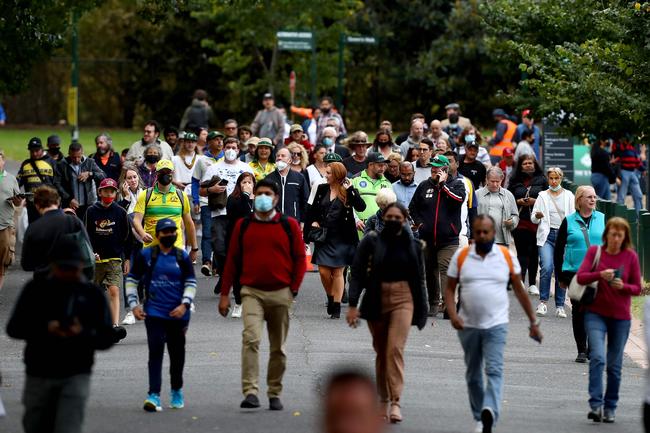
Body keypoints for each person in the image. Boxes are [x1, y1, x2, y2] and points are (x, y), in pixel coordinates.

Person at [7, 236, 115, 433]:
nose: (68, 273)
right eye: (63, 267)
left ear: (82, 265)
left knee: (68, 427)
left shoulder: (91, 294)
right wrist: (46, 328)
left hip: (76, 372)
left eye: (73, 268)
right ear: (53, 265)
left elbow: (107, 337)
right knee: (35, 425)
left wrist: (82, 333)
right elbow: (14, 328)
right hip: (39, 371)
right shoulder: (36, 290)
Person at [445, 215, 542, 433]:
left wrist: (533, 321)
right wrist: (452, 314)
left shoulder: (506, 256)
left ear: (493, 233)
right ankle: (480, 416)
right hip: (467, 325)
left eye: (486, 232)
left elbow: (519, 290)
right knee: (473, 374)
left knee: (494, 370)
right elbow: (450, 288)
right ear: (474, 234)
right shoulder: (462, 256)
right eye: (478, 232)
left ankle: (488, 412)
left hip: (496, 325)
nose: (481, 235)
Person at [218, 178, 306, 410]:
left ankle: (274, 392)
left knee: (278, 348)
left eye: (268, 193)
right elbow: (232, 261)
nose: (263, 197)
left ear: (276, 198)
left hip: (280, 293)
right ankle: (250, 391)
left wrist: (293, 288)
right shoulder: (243, 225)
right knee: (251, 340)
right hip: (252, 293)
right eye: (260, 193)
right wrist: (225, 294)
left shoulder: (289, 225)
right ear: (254, 196)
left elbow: (299, 259)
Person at [347, 202, 427, 423]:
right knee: (382, 352)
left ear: (405, 220)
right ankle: (382, 399)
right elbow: (358, 273)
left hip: (404, 299)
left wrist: (423, 310)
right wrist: (353, 304)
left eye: (397, 218)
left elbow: (419, 280)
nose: (393, 221)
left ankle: (396, 402)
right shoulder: (371, 241)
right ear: (383, 217)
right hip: (376, 298)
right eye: (389, 217)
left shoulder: (413, 245)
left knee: (394, 350)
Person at [126, 218, 197, 412]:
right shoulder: (147, 255)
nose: (170, 235)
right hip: (155, 313)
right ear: (157, 235)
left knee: (177, 354)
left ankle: (176, 390)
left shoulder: (182, 256)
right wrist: (133, 305)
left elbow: (191, 282)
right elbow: (132, 279)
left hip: (178, 314)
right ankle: (153, 395)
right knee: (155, 353)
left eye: (172, 232)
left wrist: (184, 305)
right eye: (165, 232)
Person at [576, 217, 641, 423]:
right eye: (612, 234)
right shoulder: (595, 252)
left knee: (614, 365)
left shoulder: (630, 257)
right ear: (606, 235)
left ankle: (610, 406)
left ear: (625, 238)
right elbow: (581, 277)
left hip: (620, 318)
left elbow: (637, 288)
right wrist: (599, 274)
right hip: (595, 313)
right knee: (597, 357)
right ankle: (596, 405)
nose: (615, 239)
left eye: (619, 235)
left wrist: (624, 287)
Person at [306, 162, 366, 318]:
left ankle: (337, 306)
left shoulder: (347, 190)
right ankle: (331, 297)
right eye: (326, 172)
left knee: (338, 272)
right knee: (324, 272)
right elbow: (312, 210)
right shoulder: (321, 189)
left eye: (329, 173)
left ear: (338, 175)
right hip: (324, 236)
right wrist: (312, 222)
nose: (326, 175)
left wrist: (351, 189)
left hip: (343, 237)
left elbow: (361, 207)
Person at [409, 154, 466, 316]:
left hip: (449, 239)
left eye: (437, 167)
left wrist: (443, 186)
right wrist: (420, 223)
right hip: (427, 238)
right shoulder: (424, 185)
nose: (433, 170)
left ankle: (448, 305)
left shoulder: (457, 184)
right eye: (432, 167)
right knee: (430, 271)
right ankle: (433, 303)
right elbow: (413, 207)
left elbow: (458, 200)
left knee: (446, 270)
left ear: (445, 169)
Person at [553, 186, 604, 363]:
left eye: (594, 197)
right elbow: (558, 250)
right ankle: (581, 349)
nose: (592, 200)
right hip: (575, 273)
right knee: (579, 311)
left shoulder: (602, 219)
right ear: (579, 200)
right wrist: (560, 275)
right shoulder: (568, 221)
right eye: (589, 197)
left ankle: (593, 347)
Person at [199, 137, 253, 290]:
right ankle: (225, 275)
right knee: (220, 248)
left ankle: (232, 279)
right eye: (228, 147)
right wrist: (212, 190)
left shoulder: (246, 168)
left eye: (234, 147)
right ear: (223, 148)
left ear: (238, 150)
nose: (230, 150)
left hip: (240, 214)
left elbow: (253, 189)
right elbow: (201, 190)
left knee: (240, 249)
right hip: (219, 212)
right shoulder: (214, 168)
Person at [85, 178, 132, 341]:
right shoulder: (91, 211)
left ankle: (114, 326)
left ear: (115, 193)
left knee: (114, 290)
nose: (109, 194)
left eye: (112, 191)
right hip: (96, 259)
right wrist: (91, 252)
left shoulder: (120, 212)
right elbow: (87, 235)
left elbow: (127, 236)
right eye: (106, 191)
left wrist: (127, 258)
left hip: (114, 258)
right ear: (100, 192)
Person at [132, 159, 198, 263]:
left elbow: (189, 224)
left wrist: (194, 248)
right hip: (151, 250)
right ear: (157, 174)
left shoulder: (181, 195)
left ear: (172, 174)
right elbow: (136, 220)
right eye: (162, 172)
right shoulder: (145, 195)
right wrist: (142, 234)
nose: (165, 175)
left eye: (168, 172)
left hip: (176, 250)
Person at [531, 167, 575, 318]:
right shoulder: (542, 195)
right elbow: (533, 217)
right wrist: (537, 216)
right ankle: (543, 302)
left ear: (561, 179)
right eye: (551, 178)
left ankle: (560, 306)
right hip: (547, 236)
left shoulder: (569, 196)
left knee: (561, 271)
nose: (554, 181)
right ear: (547, 179)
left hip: (564, 237)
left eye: (557, 178)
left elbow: (574, 216)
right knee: (547, 267)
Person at [20, 186, 91, 278]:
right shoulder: (74, 222)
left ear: (36, 205)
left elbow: (27, 265)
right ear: (58, 202)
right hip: (72, 280)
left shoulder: (33, 228)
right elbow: (87, 251)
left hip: (44, 281)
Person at [507, 155, 548, 295]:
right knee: (522, 252)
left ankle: (532, 284)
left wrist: (534, 201)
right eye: (525, 163)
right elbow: (508, 198)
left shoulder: (542, 180)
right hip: (521, 221)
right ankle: (520, 281)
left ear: (535, 165)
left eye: (531, 163)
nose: (528, 165)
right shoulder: (514, 181)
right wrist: (518, 202)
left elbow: (548, 199)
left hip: (537, 222)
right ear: (520, 166)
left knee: (534, 253)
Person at [191, 131, 225, 275]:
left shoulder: (227, 159)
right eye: (216, 140)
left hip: (223, 202)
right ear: (208, 142)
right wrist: (196, 199)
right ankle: (206, 262)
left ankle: (217, 265)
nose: (219, 142)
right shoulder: (201, 160)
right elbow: (195, 181)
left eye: (221, 140)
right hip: (206, 200)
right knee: (207, 232)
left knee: (220, 233)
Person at [225, 172, 256, 319]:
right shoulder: (233, 199)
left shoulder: (260, 200)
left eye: (250, 182)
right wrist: (244, 196)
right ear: (239, 184)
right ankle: (238, 303)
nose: (247, 185)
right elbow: (240, 216)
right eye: (244, 182)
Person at [55, 141, 106, 219]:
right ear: (69, 154)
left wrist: (90, 174)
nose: (76, 159)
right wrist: (69, 199)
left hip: (88, 204)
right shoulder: (62, 165)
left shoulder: (90, 162)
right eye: (73, 157)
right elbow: (57, 184)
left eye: (78, 156)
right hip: (70, 205)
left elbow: (103, 176)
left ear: (82, 153)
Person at [17, 137, 57, 223]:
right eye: (32, 151)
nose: (34, 154)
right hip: (32, 206)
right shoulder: (25, 164)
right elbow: (17, 182)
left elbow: (58, 184)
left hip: (48, 205)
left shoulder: (52, 162)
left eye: (37, 151)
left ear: (42, 149)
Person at [476, 167, 519, 247]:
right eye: (492, 181)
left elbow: (515, 215)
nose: (495, 184)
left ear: (502, 180)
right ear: (487, 179)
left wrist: (512, 221)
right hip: (482, 238)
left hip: (503, 239)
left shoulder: (508, 195)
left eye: (497, 182)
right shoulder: (477, 194)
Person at [351, 153, 392, 236]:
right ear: (370, 165)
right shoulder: (355, 180)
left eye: (384, 165)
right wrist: (356, 220)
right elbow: (348, 204)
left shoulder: (387, 183)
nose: (383, 168)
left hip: (380, 230)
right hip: (359, 228)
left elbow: (390, 207)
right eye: (380, 165)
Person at [266, 147, 310, 223]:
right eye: (278, 156)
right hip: (273, 221)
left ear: (290, 160)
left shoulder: (299, 178)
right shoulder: (269, 178)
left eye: (283, 156)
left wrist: (303, 221)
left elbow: (305, 201)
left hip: (293, 221)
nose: (279, 158)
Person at [445, 151, 477, 247]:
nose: (446, 164)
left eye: (449, 161)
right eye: (444, 162)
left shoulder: (467, 182)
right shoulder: (437, 181)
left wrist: (473, 236)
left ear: (457, 164)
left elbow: (472, 210)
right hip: (441, 235)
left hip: (461, 235)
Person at [0, 150, 22, 290]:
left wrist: (17, 200)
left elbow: (18, 203)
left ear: (3, 161)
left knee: (2, 264)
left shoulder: (11, 179)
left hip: (5, 226)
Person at [611, 137, 644, 213]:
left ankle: (638, 217)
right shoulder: (619, 146)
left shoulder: (632, 148)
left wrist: (643, 169)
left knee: (639, 195)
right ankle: (618, 217)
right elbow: (615, 155)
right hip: (623, 172)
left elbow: (637, 161)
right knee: (621, 197)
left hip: (633, 172)